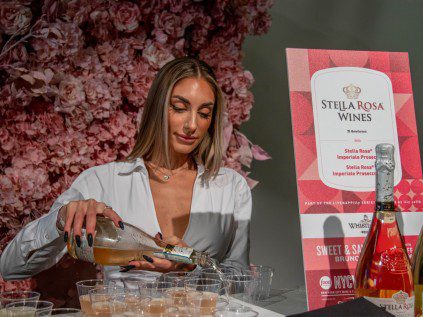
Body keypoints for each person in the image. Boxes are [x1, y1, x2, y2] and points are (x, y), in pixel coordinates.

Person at [0, 57, 252, 282]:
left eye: (204, 113)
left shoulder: (229, 187)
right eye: (179, 107)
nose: (192, 125)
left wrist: (190, 268)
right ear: (157, 107)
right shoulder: (104, 181)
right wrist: (60, 219)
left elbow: (240, 281)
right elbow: (11, 268)